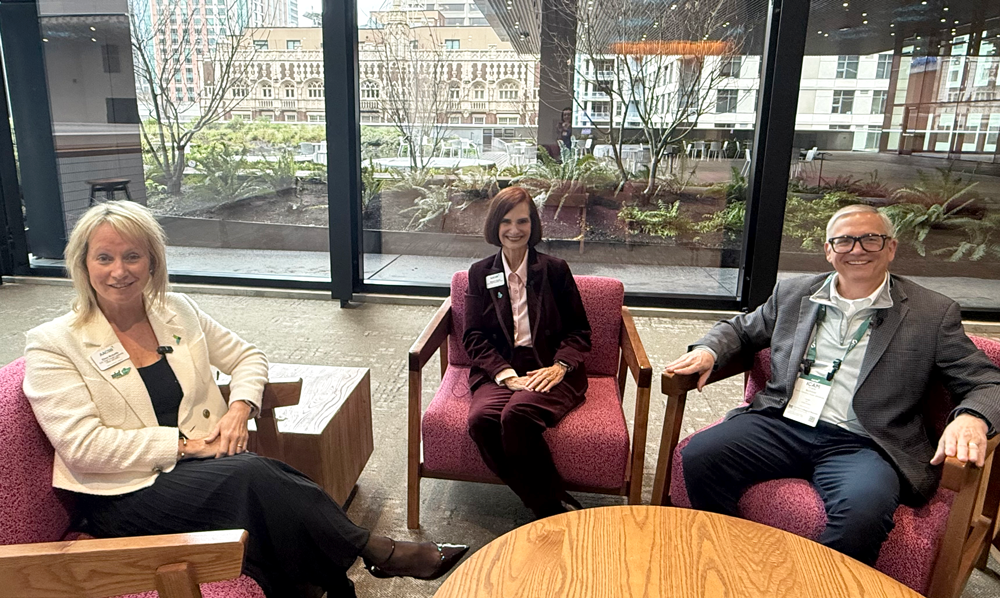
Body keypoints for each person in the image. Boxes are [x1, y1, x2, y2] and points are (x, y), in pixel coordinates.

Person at [22, 201, 468, 598]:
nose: (119, 270)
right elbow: (83, 446)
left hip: (203, 469)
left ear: (153, 263)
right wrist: (188, 446)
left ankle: (328, 582)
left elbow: (249, 357)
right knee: (254, 476)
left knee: (264, 496)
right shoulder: (54, 343)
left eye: (132, 256)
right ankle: (377, 552)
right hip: (122, 493)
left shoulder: (176, 311)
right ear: (83, 264)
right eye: (104, 257)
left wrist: (240, 409)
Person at [664, 204, 1000, 566]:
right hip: (782, 423)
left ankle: (822, 584)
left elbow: (986, 380)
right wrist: (709, 350)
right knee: (701, 456)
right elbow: (741, 329)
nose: (856, 250)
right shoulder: (793, 293)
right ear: (828, 250)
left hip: (865, 442)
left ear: (891, 247)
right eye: (844, 241)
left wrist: (972, 418)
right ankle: (732, 559)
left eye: (870, 239)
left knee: (863, 512)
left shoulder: (930, 312)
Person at [463, 186, 592, 519]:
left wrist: (561, 366)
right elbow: (473, 336)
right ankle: (547, 502)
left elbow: (580, 331)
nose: (514, 230)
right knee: (481, 420)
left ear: (533, 225)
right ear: (495, 225)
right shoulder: (480, 274)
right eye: (506, 221)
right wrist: (504, 375)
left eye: (522, 221)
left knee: (517, 415)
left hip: (549, 365)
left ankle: (548, 508)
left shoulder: (555, 270)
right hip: (502, 367)